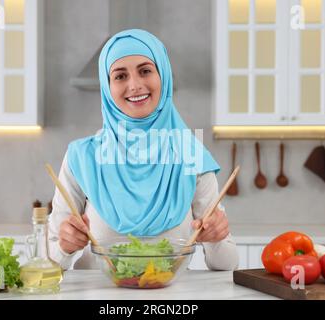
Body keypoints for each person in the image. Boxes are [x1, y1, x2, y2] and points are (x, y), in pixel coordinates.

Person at [48, 29, 238, 271]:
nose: (135, 85)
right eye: (120, 76)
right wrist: (64, 248)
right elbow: (48, 264)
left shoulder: (190, 154)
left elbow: (228, 265)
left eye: (145, 71)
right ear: (107, 88)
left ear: (163, 76)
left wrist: (216, 239)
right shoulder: (81, 157)